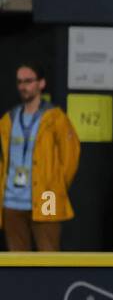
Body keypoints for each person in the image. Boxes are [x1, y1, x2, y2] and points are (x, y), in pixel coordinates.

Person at [0, 64, 80, 252]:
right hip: (11, 199)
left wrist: (55, 185)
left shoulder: (56, 118)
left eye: (28, 81)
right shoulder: (8, 119)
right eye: (19, 82)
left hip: (47, 195)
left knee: (48, 254)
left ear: (41, 83)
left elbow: (71, 157)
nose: (23, 86)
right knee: (17, 259)